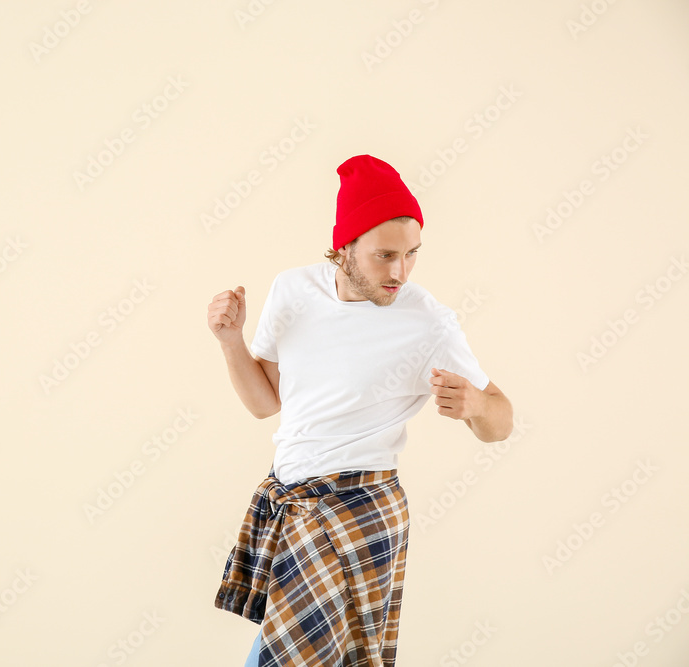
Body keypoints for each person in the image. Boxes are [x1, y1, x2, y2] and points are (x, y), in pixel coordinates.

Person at [206, 154, 513, 666]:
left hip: (360, 507)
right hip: (293, 502)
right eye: (385, 255)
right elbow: (265, 404)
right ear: (344, 247)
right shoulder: (293, 291)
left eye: (412, 254)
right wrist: (230, 341)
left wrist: (477, 404)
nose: (400, 272)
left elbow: (500, 422)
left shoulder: (428, 322)